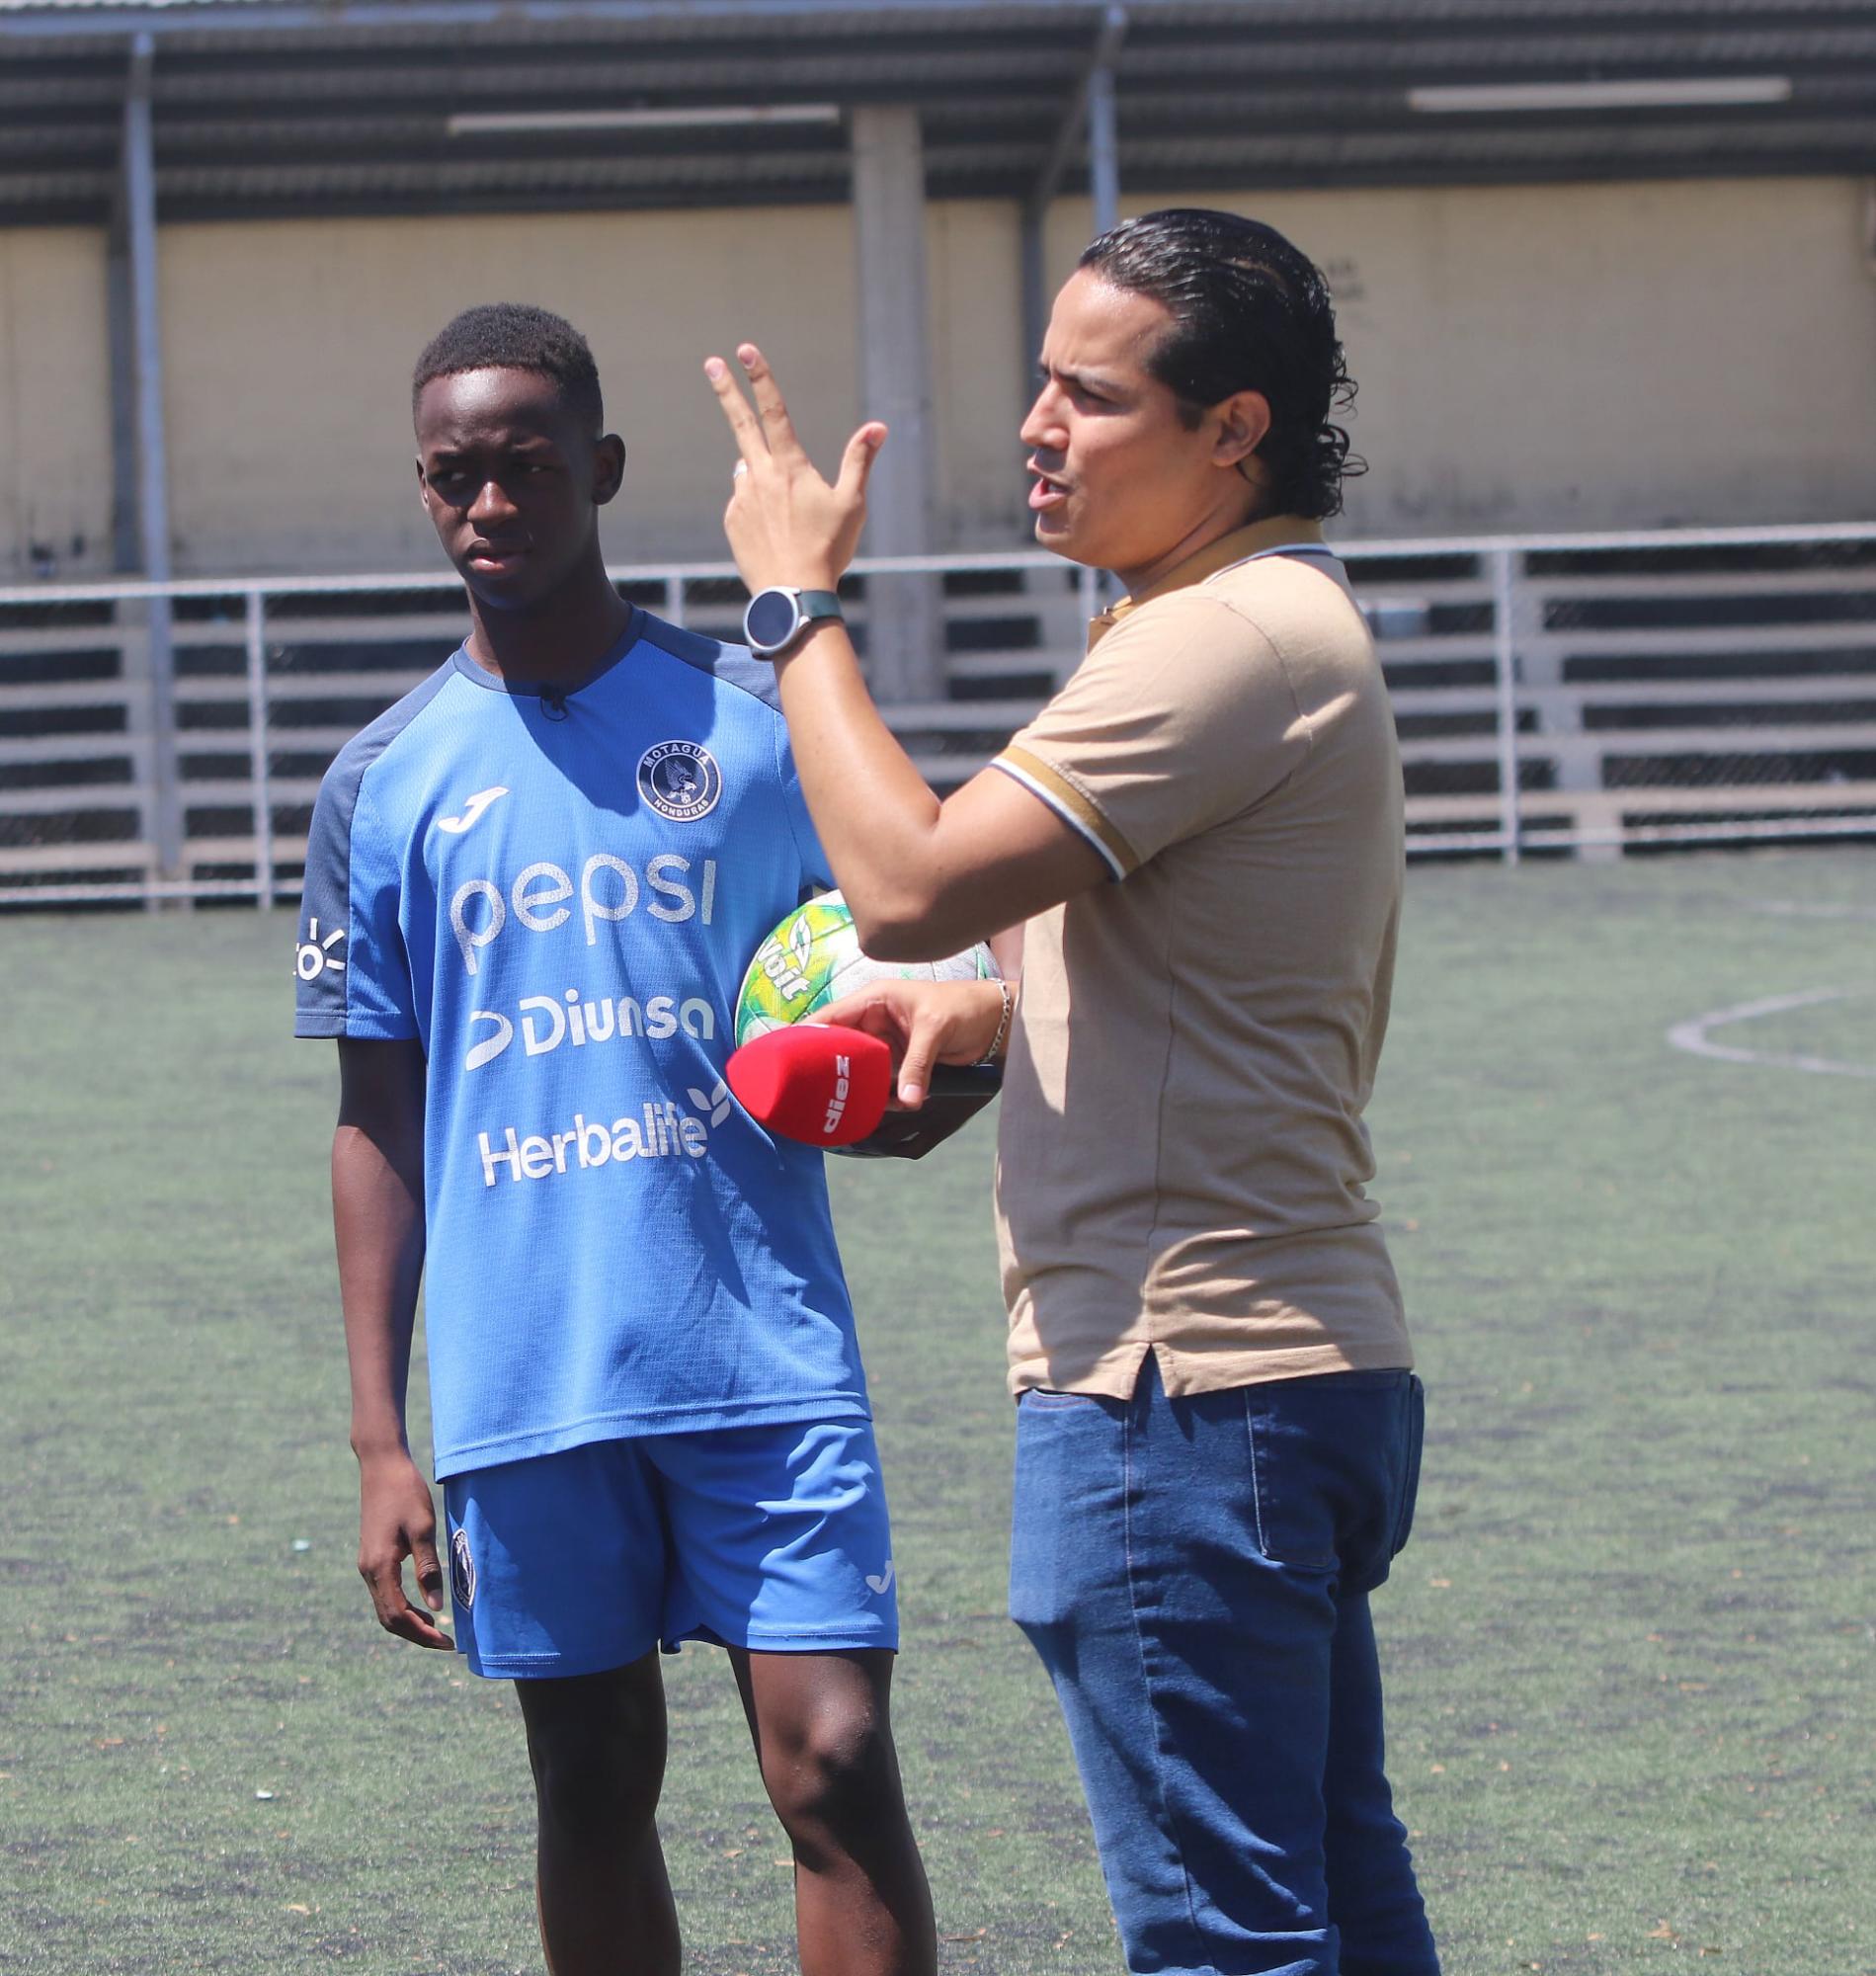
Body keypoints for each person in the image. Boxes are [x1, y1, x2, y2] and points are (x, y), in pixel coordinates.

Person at [703, 209, 1439, 1975]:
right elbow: (1092, 952)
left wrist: (795, 609)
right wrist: (972, 1024)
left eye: (1090, 395)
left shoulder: (1222, 639)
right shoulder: (1240, 624)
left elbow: (907, 884)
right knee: (1335, 1893)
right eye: (1039, 379)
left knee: (1224, 1940)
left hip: (1173, 1387)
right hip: (1288, 1368)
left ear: (1231, 430)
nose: (1036, 424)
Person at [294, 303, 935, 1976]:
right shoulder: (384, 783)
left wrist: (927, 1082)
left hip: (762, 1353)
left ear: (604, 469)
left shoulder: (757, 718)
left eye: (524, 469)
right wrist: (379, 1437)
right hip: (531, 1379)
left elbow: (920, 964)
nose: (489, 506)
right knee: (591, 1781)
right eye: (454, 480)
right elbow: (378, 1117)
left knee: (839, 1763)